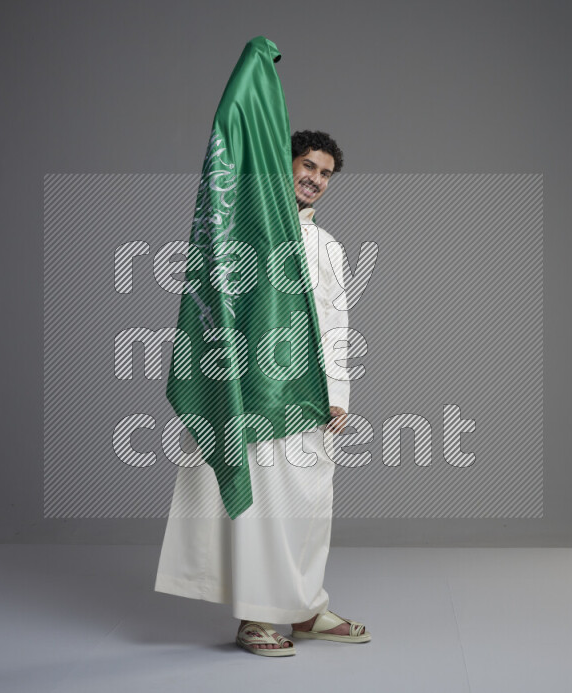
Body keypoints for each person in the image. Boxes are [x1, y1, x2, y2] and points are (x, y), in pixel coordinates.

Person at [155, 130, 370, 657]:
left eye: (324, 174)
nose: (316, 180)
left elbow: (337, 324)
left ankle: (305, 608)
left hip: (307, 393)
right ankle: (255, 617)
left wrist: (339, 391)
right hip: (252, 393)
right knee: (256, 507)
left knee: (310, 504)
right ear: (284, 165)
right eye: (308, 167)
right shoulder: (243, 233)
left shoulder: (327, 246)